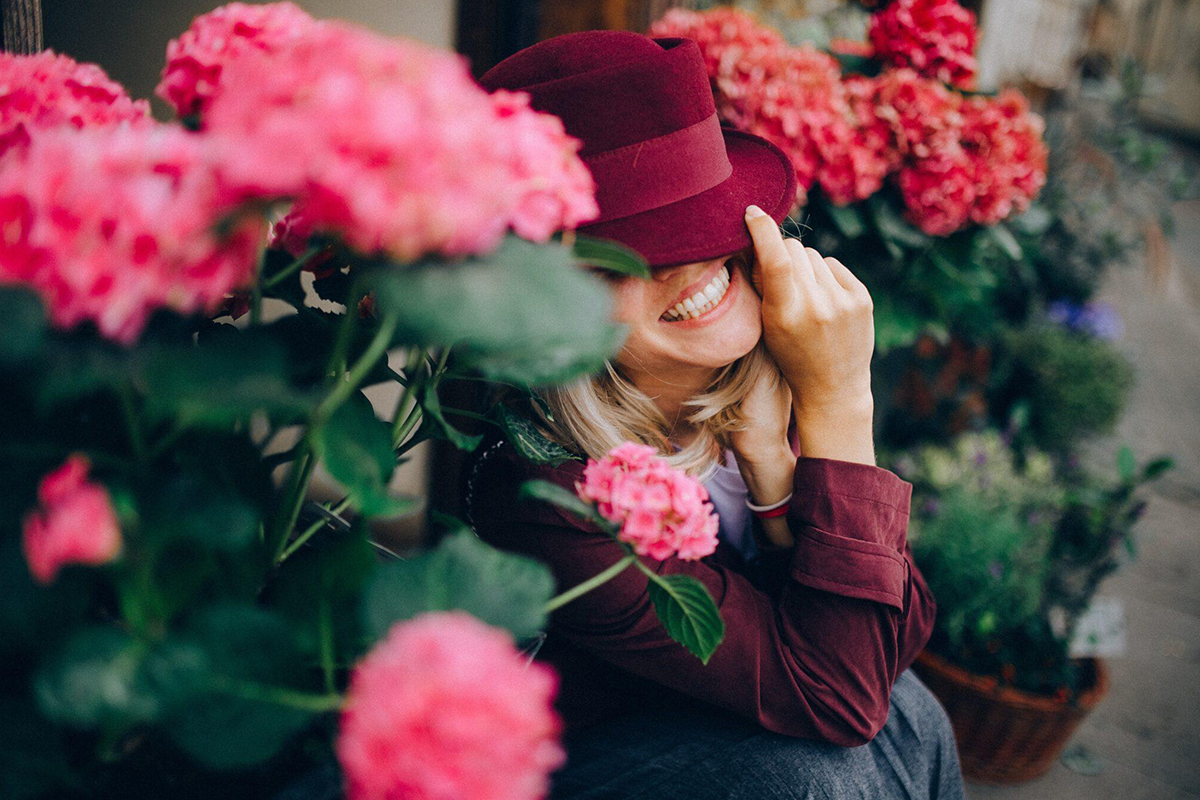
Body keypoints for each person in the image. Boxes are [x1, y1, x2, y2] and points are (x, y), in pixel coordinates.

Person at [463, 30, 965, 800]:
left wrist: (775, 473)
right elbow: (840, 692)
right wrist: (841, 403)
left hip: (734, 723)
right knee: (811, 776)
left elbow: (899, 636)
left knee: (918, 717)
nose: (691, 259)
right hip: (587, 761)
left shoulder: (754, 371)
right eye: (629, 254)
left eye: (702, 218)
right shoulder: (544, 493)